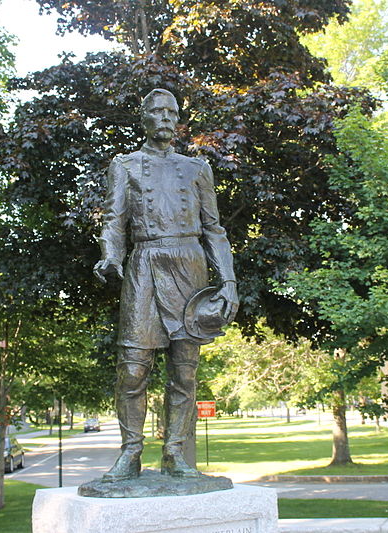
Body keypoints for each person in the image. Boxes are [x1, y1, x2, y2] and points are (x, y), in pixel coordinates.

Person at [93, 88, 238, 481]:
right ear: (143, 118)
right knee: (133, 369)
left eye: (171, 112)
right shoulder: (124, 165)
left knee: (185, 371)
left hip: (190, 270)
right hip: (144, 266)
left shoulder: (196, 168)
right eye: (157, 112)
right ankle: (131, 452)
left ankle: (175, 452)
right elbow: (113, 219)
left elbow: (215, 230)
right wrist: (110, 254)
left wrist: (228, 281)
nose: (166, 119)